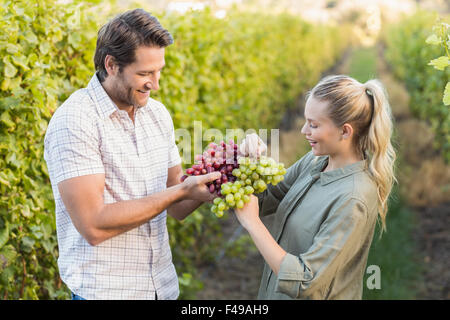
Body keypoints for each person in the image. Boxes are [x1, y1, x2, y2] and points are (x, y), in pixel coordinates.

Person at [44, 9, 220, 300]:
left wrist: (216, 175)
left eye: (159, 70)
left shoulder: (157, 115)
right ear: (111, 65)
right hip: (106, 293)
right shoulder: (75, 121)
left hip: (160, 288)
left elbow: (177, 205)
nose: (156, 83)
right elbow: (93, 225)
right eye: (144, 73)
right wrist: (181, 191)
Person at [234, 75, 397, 299]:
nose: (303, 131)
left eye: (313, 125)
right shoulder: (315, 161)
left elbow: (304, 282)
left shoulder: (352, 198)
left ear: (345, 131)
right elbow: (265, 200)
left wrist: (252, 223)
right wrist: (249, 162)